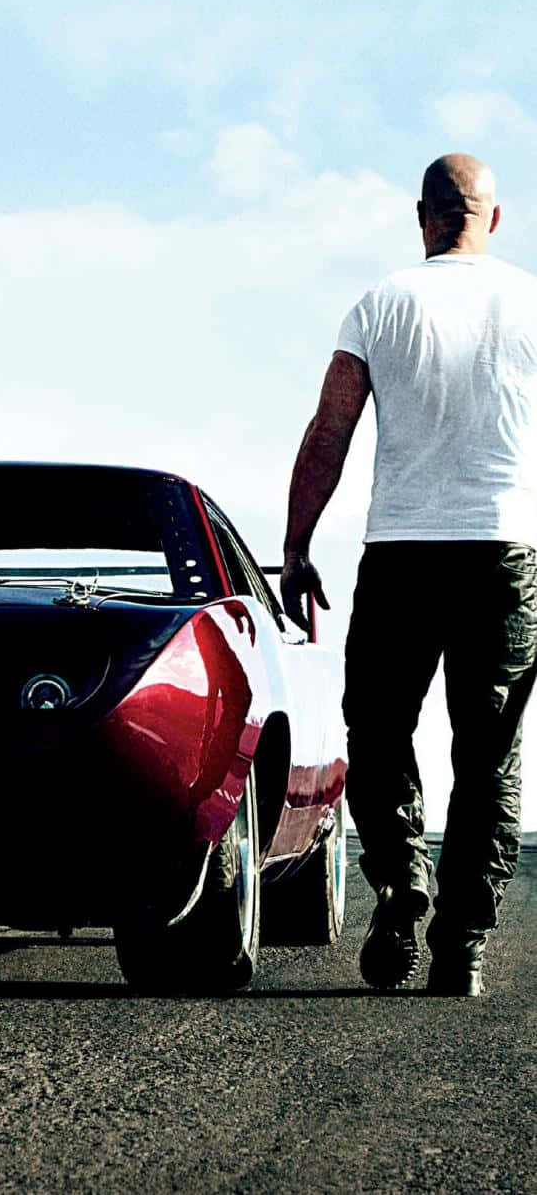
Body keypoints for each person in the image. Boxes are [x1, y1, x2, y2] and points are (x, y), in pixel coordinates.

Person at [280, 154, 537, 997]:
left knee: (380, 729)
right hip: (506, 556)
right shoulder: (531, 300)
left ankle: (400, 884)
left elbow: (330, 430)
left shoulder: (381, 303)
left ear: (420, 216)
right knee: (490, 752)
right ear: (492, 220)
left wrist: (296, 545)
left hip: (402, 554)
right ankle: (461, 941)